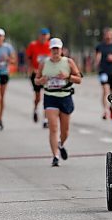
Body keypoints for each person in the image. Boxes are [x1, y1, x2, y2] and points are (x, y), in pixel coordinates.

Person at [34, 38, 82, 167]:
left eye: (57, 49)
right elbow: (36, 80)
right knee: (53, 127)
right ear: (50, 50)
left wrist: (67, 76)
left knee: (65, 131)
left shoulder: (68, 62)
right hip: (50, 97)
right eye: (53, 49)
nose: (55, 51)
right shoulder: (44, 63)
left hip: (65, 97)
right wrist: (41, 80)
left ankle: (60, 144)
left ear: (61, 50)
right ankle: (55, 156)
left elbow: (79, 79)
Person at [95, 27, 112, 120]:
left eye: (109, 34)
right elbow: (97, 56)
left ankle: (111, 108)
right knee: (105, 90)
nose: (108, 36)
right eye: (106, 34)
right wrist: (97, 62)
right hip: (103, 71)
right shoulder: (100, 46)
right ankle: (105, 110)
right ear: (104, 35)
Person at [26, 28, 51, 127]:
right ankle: (36, 109)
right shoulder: (33, 45)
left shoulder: (50, 46)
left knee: (47, 96)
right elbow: (28, 58)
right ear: (39, 36)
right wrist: (30, 68)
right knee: (38, 96)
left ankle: (45, 119)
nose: (44, 37)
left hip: (47, 74)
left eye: (46, 35)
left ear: (48, 36)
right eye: (42, 35)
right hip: (36, 73)